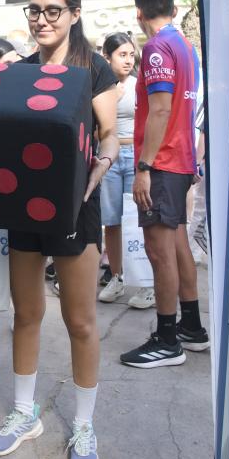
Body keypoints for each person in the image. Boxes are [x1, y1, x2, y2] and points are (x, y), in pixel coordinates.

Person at [0, 0, 118, 459]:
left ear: (74, 14)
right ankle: (25, 413)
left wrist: (102, 166)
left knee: (80, 321)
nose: (42, 19)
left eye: (52, 10)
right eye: (34, 10)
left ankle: (84, 425)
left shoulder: (94, 69)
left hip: (77, 204)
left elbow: (109, 134)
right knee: (25, 314)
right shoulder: (19, 71)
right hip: (23, 205)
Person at [120, 0, 209, 369]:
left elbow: (160, 109)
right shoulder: (185, 47)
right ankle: (191, 327)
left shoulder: (157, 48)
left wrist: (144, 166)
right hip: (180, 161)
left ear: (139, 13)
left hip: (163, 163)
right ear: (173, 10)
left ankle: (168, 338)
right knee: (177, 245)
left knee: (161, 253)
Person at [98, 31, 138, 304]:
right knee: (111, 222)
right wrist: (112, 98)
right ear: (107, 57)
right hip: (109, 157)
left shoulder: (139, 84)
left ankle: (146, 282)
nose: (128, 60)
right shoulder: (101, 88)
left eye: (131, 55)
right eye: (122, 55)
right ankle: (116, 277)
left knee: (137, 220)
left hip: (135, 155)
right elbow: (96, 128)